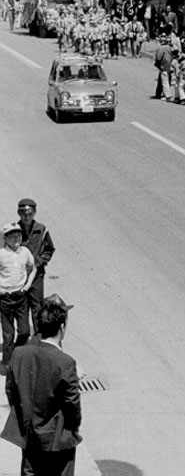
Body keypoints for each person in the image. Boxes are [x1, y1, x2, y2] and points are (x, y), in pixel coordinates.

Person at [1, 295, 82, 476]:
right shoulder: (66, 363)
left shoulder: (19, 354)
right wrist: (73, 427)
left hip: (29, 435)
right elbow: (72, 405)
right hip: (57, 438)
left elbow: (10, 390)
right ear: (62, 327)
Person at [15, 199, 53, 334]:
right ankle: (23, 335)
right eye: (23, 213)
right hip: (19, 276)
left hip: (37, 275)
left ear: (34, 213)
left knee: (37, 306)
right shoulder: (14, 230)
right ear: (18, 213)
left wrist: (40, 261)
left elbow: (49, 249)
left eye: (30, 213)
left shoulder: (41, 230)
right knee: (22, 306)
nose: (27, 216)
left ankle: (38, 336)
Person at [0, 224, 35, 372]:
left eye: (19, 235)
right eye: (12, 235)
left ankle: (17, 354)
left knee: (25, 331)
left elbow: (33, 268)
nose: (16, 238)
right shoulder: (1, 254)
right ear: (5, 238)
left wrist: (26, 287)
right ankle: (6, 364)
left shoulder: (25, 252)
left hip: (20, 297)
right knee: (8, 336)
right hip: (5, 298)